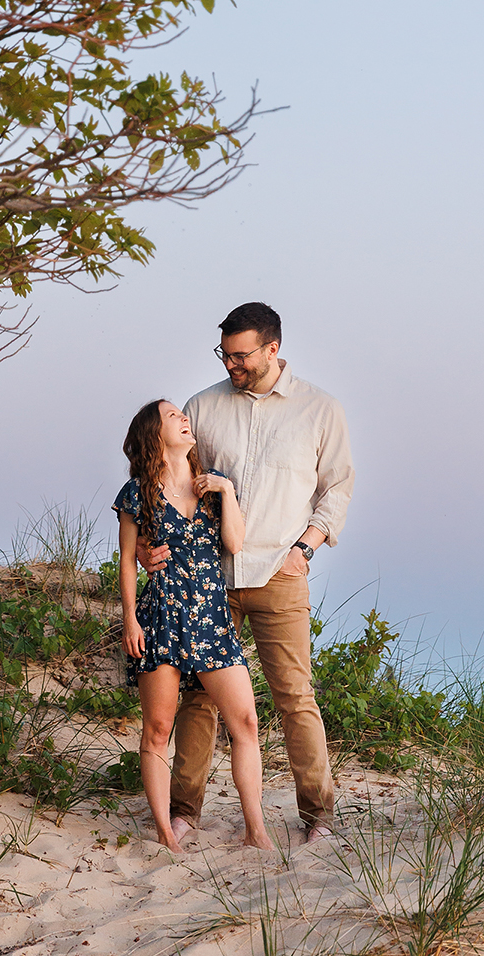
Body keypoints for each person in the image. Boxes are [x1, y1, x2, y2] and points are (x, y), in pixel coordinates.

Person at [139, 303, 355, 845]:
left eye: (241, 356)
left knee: (294, 696)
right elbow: (167, 479)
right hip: (204, 580)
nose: (231, 365)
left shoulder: (320, 409)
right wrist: (147, 544)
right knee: (200, 697)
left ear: (272, 349)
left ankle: (318, 818)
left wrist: (305, 547)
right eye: (225, 355)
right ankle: (184, 808)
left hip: (280, 573)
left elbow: (337, 488)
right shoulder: (203, 406)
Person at [113, 398, 273, 853]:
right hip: (160, 616)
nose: (185, 419)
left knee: (244, 721)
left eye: (183, 415)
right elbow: (128, 561)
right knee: (158, 730)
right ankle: (166, 832)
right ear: (154, 434)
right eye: (173, 416)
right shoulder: (137, 492)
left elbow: (235, 543)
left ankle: (255, 829)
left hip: (211, 619)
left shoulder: (212, 487)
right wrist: (129, 619)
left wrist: (226, 492)